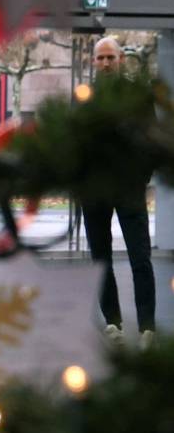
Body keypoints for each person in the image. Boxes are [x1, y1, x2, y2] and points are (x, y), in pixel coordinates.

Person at [80, 36, 156, 347]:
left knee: (141, 258)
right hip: (94, 190)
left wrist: (139, 178)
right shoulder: (84, 98)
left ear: (121, 60)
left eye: (111, 57)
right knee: (101, 259)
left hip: (128, 188)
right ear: (93, 62)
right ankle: (113, 321)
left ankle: (147, 327)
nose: (106, 63)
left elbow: (150, 140)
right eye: (101, 58)